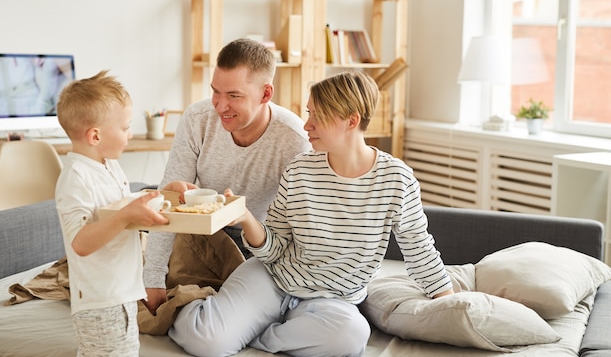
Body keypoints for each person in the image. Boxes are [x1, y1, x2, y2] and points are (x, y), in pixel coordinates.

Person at [168, 71, 455, 357]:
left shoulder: (396, 180)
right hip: (271, 278)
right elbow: (274, 247)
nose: (307, 125)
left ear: (351, 121)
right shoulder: (300, 169)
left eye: (317, 115)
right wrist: (245, 217)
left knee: (351, 336)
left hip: (334, 299)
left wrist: (449, 303)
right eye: (308, 113)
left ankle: (256, 334)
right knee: (204, 341)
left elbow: (419, 249)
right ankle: (204, 310)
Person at [142, 38, 312, 315]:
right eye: (215, 92)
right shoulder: (197, 118)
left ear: (266, 94)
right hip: (199, 240)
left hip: (258, 248)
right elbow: (167, 202)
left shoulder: (293, 139)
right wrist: (153, 280)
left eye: (234, 96)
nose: (221, 106)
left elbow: (299, 231)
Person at [55, 71, 169, 357]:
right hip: (100, 300)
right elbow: (80, 242)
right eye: (126, 127)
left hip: (122, 292)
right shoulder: (75, 178)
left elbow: (117, 205)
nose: (130, 134)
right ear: (95, 135)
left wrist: (163, 193)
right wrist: (124, 216)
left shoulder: (108, 165)